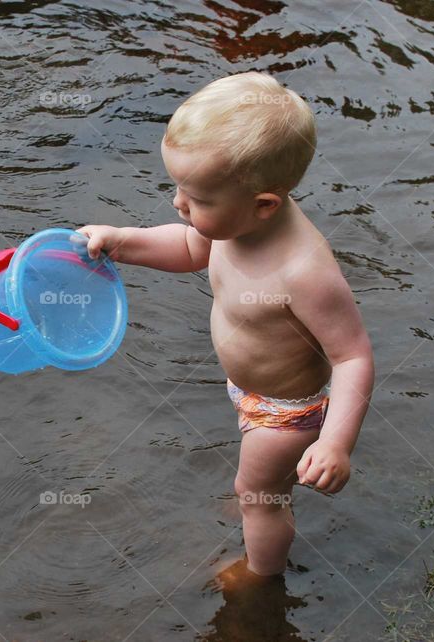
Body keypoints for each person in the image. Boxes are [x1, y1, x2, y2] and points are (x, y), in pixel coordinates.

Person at [76, 71, 374, 577]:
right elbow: (193, 247)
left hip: (285, 412)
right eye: (179, 188)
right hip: (250, 389)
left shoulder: (303, 272)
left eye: (198, 199)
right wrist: (123, 240)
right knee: (257, 487)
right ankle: (258, 497)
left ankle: (260, 577)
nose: (178, 204)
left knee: (259, 498)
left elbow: (353, 356)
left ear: (265, 205)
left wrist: (335, 443)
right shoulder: (237, 219)